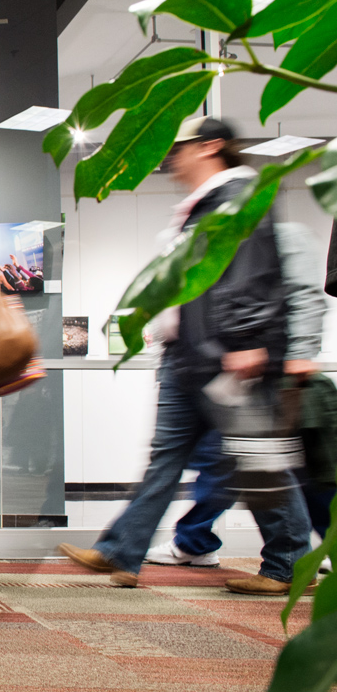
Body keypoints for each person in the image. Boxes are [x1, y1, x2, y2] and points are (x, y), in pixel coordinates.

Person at [60, 117, 311, 594]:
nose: (171, 157)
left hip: (226, 356)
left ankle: (289, 565)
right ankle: (121, 551)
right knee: (165, 459)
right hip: (187, 355)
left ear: (211, 147)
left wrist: (244, 340)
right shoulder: (200, 207)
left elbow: (251, 273)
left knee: (258, 460)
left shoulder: (241, 195)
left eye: (182, 147)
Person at [147, 222, 328, 571]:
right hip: (216, 374)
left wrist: (299, 353)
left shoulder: (276, 235)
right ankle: (198, 540)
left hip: (254, 373)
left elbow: (304, 295)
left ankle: (276, 556)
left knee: (263, 465)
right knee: (236, 463)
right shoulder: (205, 236)